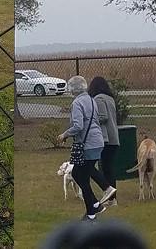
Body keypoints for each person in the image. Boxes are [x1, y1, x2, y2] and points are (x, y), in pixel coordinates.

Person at [58, 76, 116, 221]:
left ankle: (106, 189)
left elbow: (78, 126)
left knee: (82, 172)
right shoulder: (91, 99)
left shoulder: (77, 103)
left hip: (88, 143)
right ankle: (93, 209)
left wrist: (64, 134)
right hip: (98, 140)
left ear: (73, 89)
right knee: (80, 174)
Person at [89, 76, 119, 206]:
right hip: (114, 139)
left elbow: (103, 117)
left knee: (98, 167)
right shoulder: (110, 98)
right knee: (108, 168)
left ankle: (109, 194)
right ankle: (112, 198)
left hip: (105, 139)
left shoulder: (99, 99)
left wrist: (90, 120)